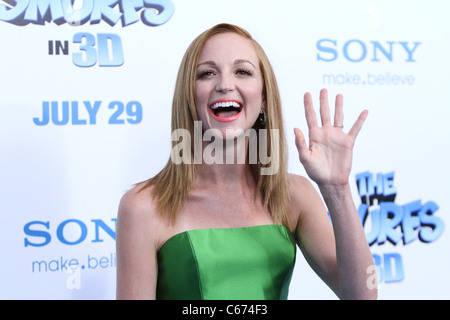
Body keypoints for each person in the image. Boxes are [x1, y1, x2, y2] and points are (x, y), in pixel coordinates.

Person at [116, 23, 377, 300]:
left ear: (263, 97)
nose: (225, 85)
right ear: (189, 97)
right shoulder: (144, 207)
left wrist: (337, 189)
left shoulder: (294, 195)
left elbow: (363, 295)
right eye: (206, 73)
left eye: (243, 71)